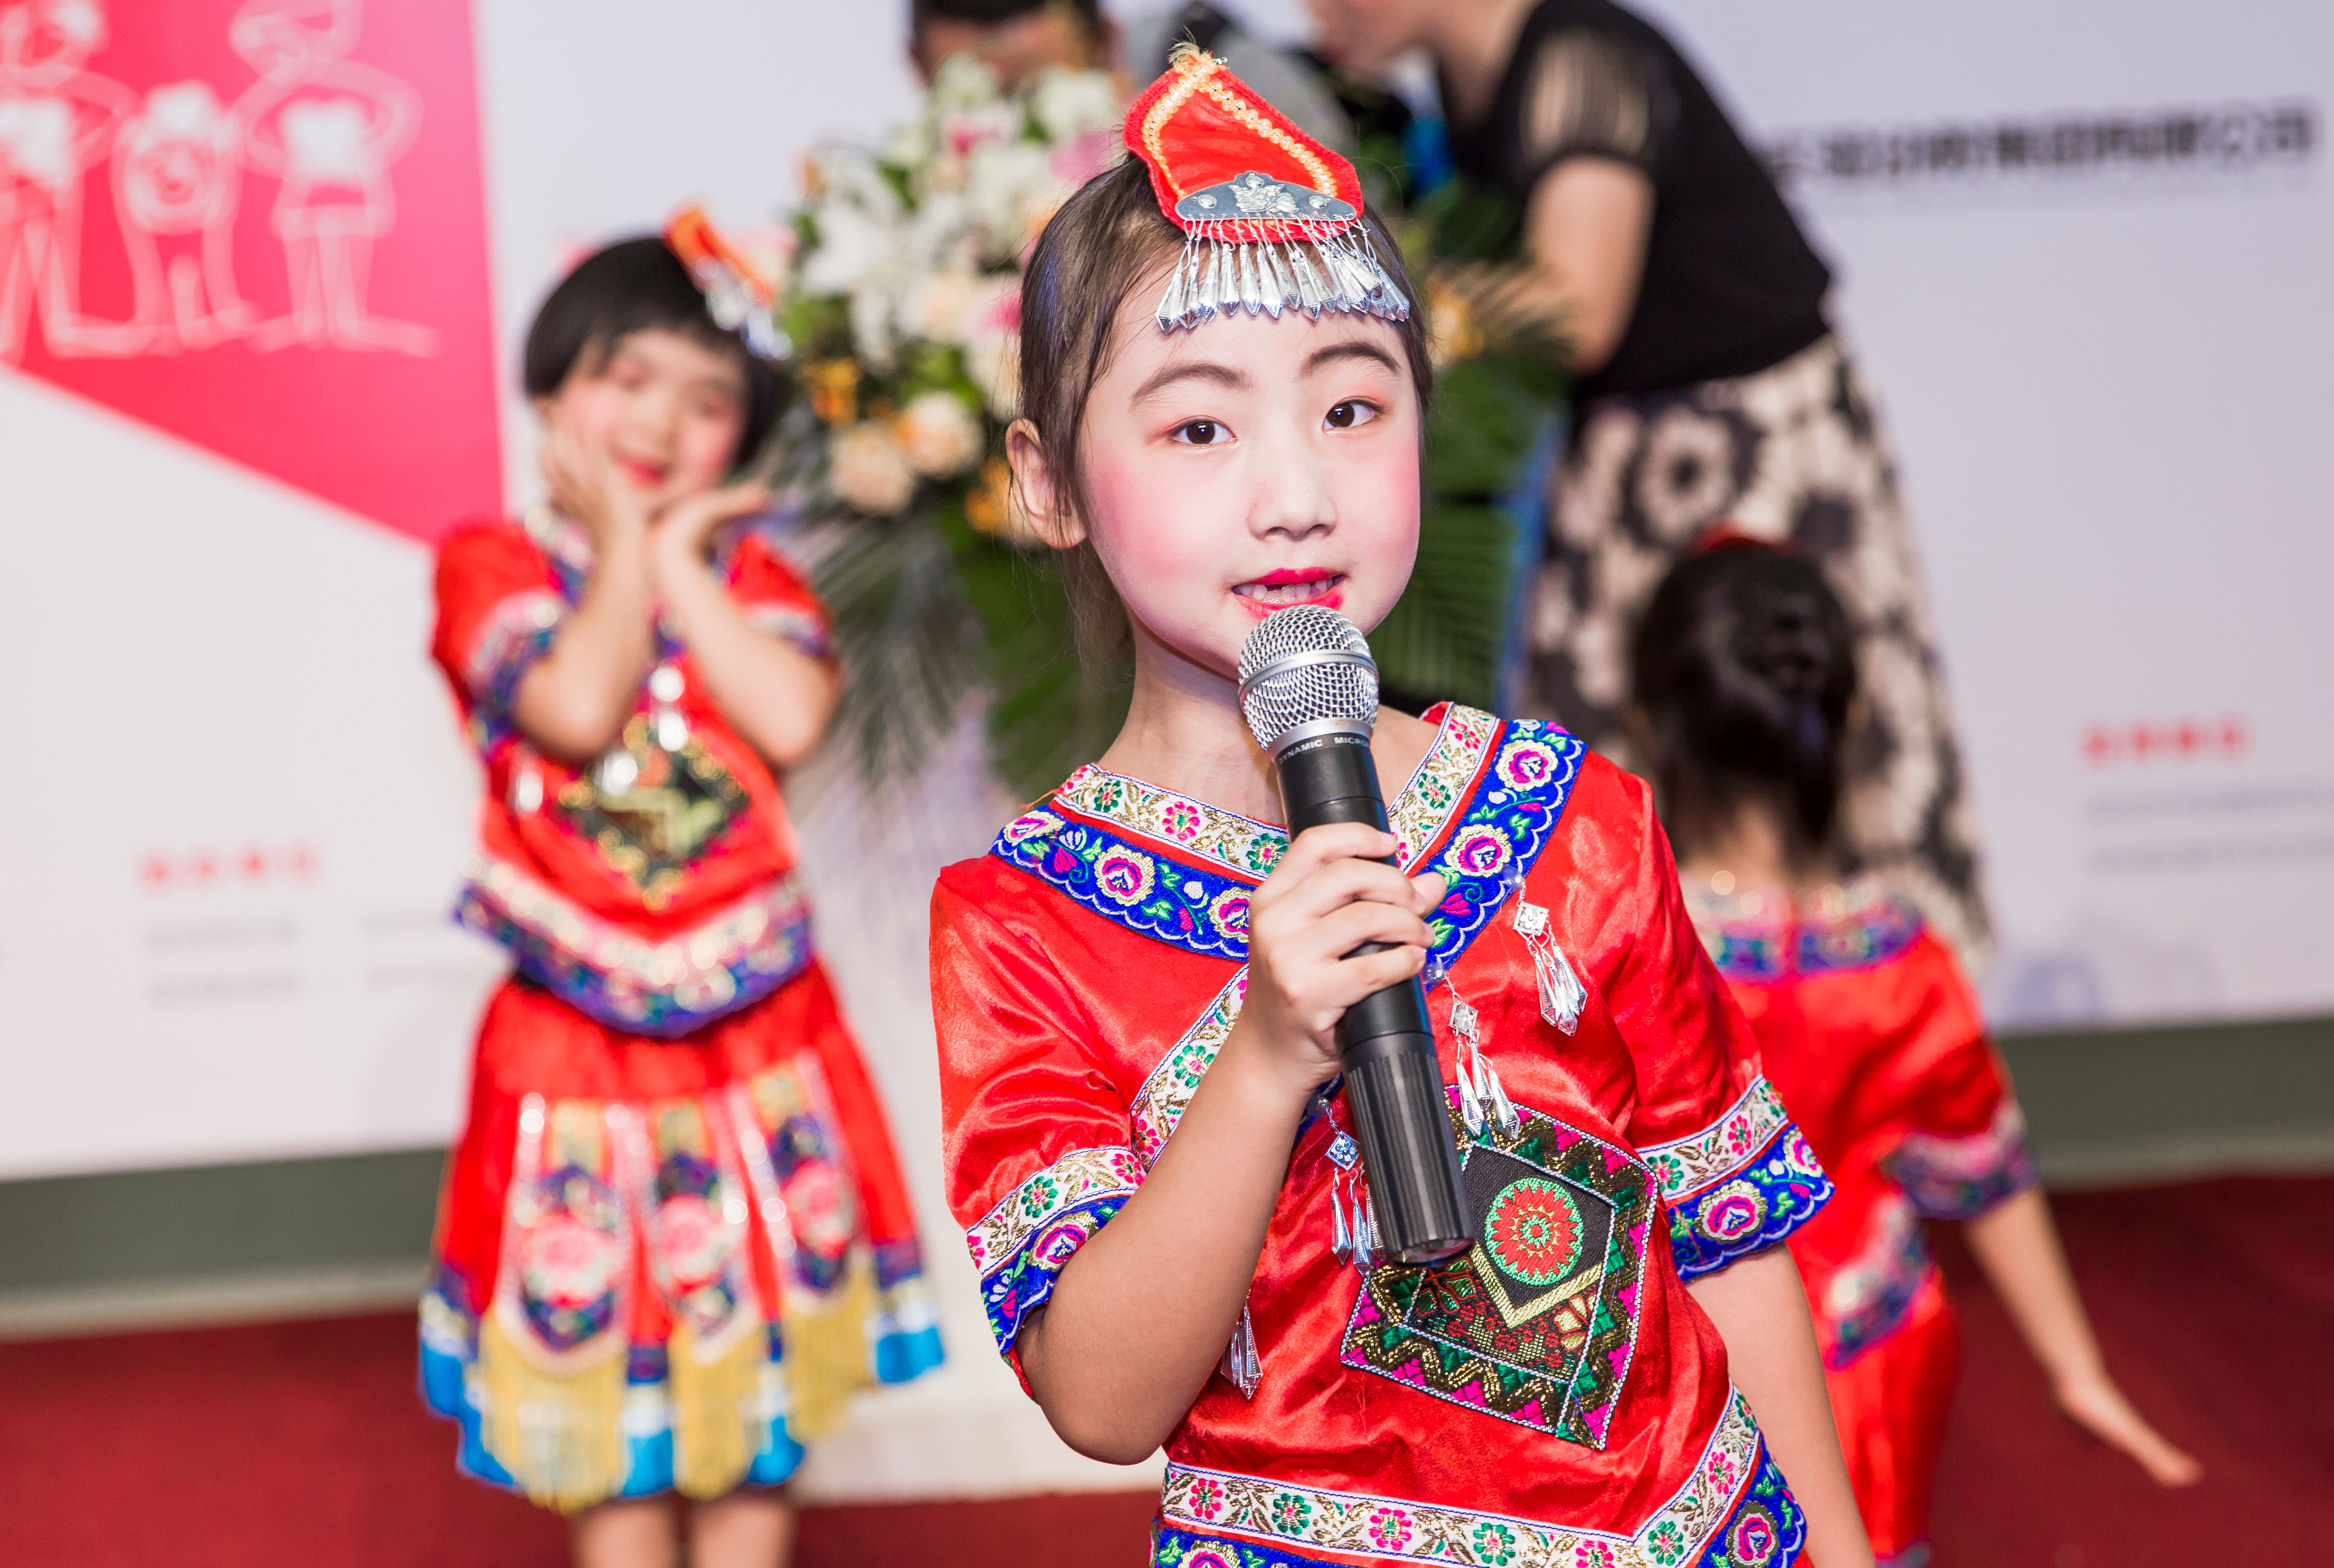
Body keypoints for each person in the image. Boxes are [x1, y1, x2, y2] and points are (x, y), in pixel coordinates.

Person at [931, 51, 1874, 1568]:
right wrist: (1263, 1057)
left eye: (1352, 406)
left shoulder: (1573, 819)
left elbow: (1729, 1238)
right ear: (1046, 485)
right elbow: (1101, 1402)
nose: (1296, 492)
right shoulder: (1023, 925)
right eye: (1199, 429)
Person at [420, 231, 942, 1568]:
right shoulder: (488, 567)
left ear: (743, 443)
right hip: (574, 1053)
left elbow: (789, 715)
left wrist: (682, 561)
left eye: (707, 401)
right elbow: (575, 707)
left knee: (759, 1403)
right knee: (613, 1413)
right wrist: (619, 546)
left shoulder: (750, 582)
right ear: (552, 392)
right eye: (627, 378)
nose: (659, 423)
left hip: (759, 1044)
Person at [1307, 0, 1989, 967]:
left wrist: (1371, 291)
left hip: (1753, 457)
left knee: (1783, 760)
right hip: (1629, 457)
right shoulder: (1464, 85)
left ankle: (1876, 1024)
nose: (1311, 12)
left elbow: (1578, 309)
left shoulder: (1583, 54)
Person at [1629, 538, 2199, 1567]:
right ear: (1848, 714)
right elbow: (1985, 1165)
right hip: (1864, 1350)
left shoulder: (1622, 946)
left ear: (1647, 716)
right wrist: (2075, 1368)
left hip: (1678, 1355)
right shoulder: (1895, 957)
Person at [907, 0, 1353, 153]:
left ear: (1106, 40)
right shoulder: (909, 199)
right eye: (971, 95)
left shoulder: (1222, 77)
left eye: (1037, 92)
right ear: (916, 66)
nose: (1007, 126)